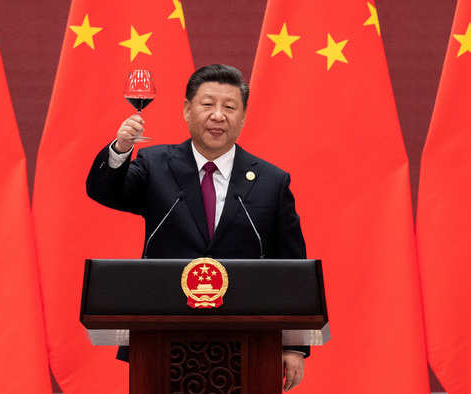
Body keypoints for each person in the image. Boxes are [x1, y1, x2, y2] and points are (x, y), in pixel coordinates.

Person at [86, 64, 308, 391]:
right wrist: (120, 149)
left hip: (248, 341)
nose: (218, 115)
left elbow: (292, 265)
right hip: (164, 337)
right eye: (207, 105)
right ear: (187, 110)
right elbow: (104, 191)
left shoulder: (271, 181)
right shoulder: (155, 165)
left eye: (229, 107)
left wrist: (294, 345)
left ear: (243, 117)